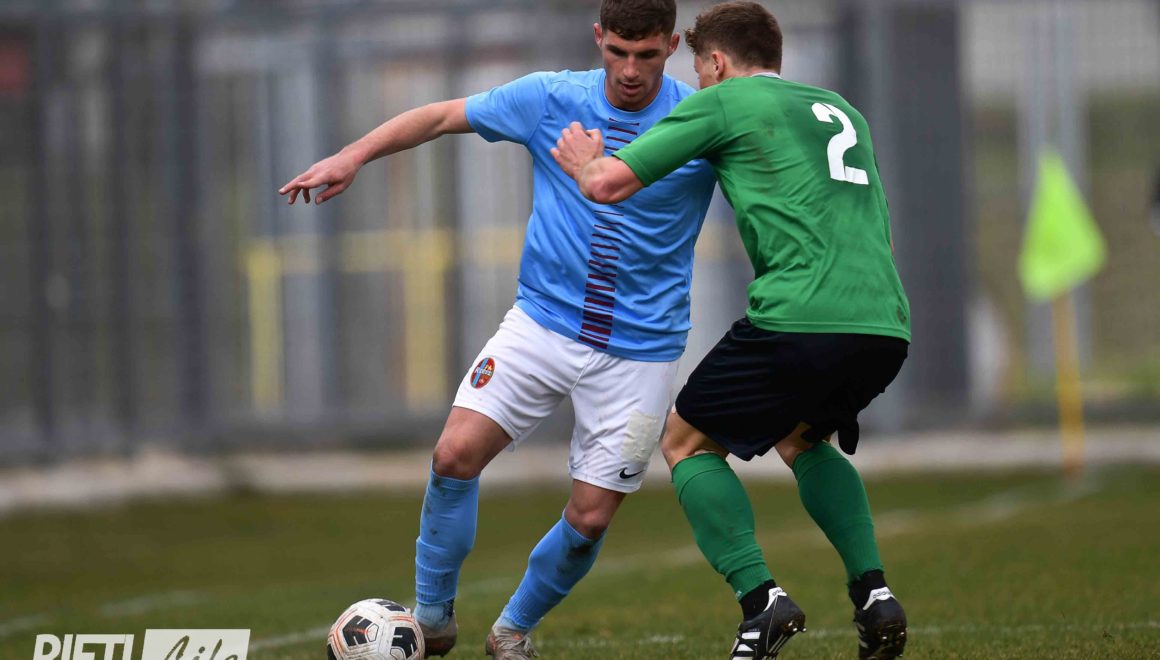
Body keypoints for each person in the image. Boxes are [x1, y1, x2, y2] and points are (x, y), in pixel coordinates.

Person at [279, 1, 716, 657]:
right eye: (618, 52)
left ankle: (511, 631)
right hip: (542, 323)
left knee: (591, 517)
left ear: (672, 46)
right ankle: (432, 619)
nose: (630, 70)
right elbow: (440, 116)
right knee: (453, 455)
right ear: (598, 38)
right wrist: (353, 155)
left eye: (647, 55)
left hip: (642, 351)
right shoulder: (550, 98)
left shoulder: (701, 119)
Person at [552, 2, 912, 658]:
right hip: (883, 322)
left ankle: (760, 601)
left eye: (697, 68)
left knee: (685, 441)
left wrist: (582, 160)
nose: (697, 81)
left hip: (800, 315)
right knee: (801, 437)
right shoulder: (841, 110)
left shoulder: (723, 102)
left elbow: (607, 185)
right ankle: (875, 594)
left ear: (716, 62)